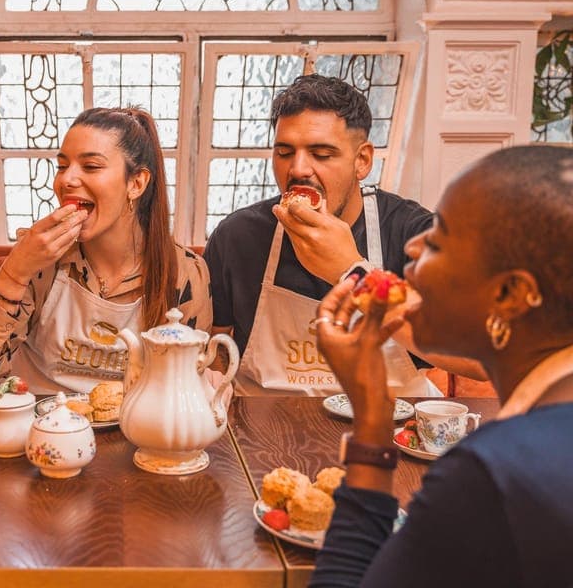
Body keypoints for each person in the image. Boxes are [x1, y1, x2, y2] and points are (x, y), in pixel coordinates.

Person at [309, 144, 573, 587]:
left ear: (510, 295)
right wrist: (373, 414)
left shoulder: (491, 474)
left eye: (438, 239)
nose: (411, 246)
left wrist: (369, 438)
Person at [205, 73, 447, 396]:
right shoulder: (236, 237)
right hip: (267, 437)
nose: (299, 169)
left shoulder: (412, 233)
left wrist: (352, 271)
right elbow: (214, 350)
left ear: (362, 161)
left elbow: (477, 357)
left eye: (321, 154)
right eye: (284, 152)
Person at [0, 107, 213, 393]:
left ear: (136, 183)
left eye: (91, 167)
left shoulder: (184, 273)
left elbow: (185, 389)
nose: (66, 180)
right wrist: (15, 271)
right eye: (62, 166)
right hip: (39, 428)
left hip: (133, 432)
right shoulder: (40, 261)